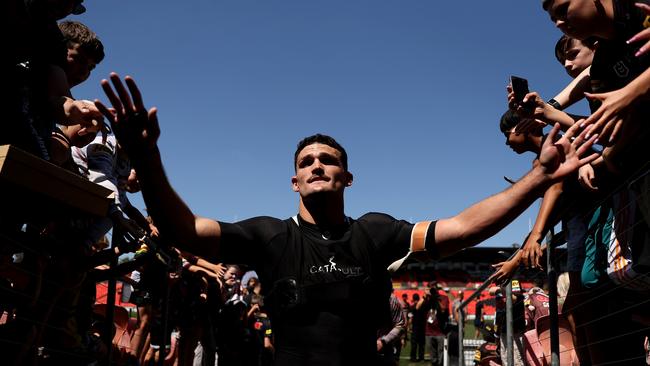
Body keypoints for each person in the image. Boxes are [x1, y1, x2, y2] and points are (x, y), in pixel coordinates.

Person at [94, 73, 598, 365]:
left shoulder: (375, 232)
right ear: (294, 182)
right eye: (306, 162)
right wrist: (147, 159)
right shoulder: (268, 236)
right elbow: (185, 231)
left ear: (347, 178)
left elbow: (463, 229)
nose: (316, 165)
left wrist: (538, 176)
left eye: (328, 160)